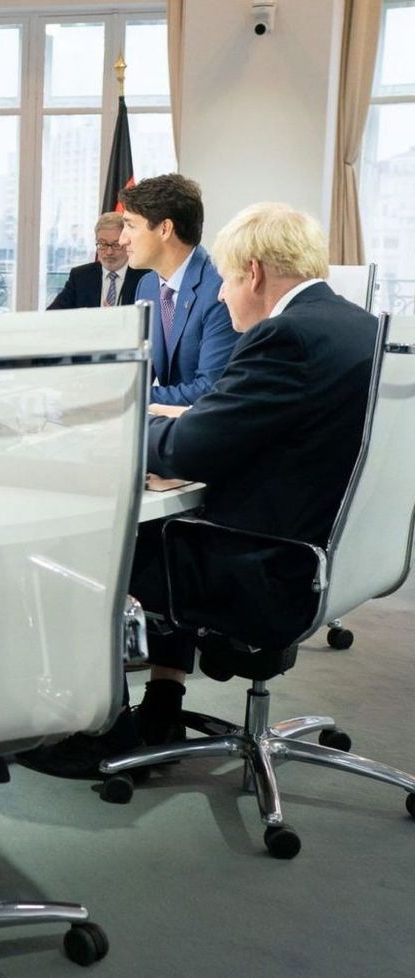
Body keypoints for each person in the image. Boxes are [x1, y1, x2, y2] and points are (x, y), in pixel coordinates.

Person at [22, 202, 378, 776]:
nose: (219, 295)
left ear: (255, 273)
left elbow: (190, 448)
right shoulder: (356, 324)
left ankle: (101, 735)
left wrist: (119, 425)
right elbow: (245, 423)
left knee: (85, 549)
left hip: (263, 564)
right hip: (322, 553)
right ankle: (163, 702)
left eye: (230, 280)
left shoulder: (287, 335)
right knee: (158, 526)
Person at [119, 174, 238, 405]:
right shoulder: (147, 286)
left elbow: (208, 390)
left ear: (165, 229)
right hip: (165, 425)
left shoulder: (220, 287)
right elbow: (140, 371)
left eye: (130, 226)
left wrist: (125, 398)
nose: (122, 239)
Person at [46, 212, 145, 310]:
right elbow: (53, 314)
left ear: (127, 243)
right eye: (103, 244)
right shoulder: (80, 276)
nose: (109, 252)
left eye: (116, 245)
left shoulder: (144, 278)